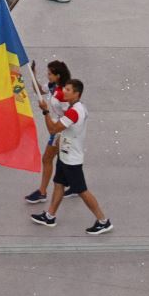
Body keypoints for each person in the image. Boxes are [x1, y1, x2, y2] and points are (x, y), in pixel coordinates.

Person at [31, 79, 112, 233]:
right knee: (59, 183)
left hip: (71, 159)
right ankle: (50, 216)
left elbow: (53, 129)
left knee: (82, 191)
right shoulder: (76, 108)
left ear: (77, 94)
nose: (64, 92)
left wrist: (45, 111)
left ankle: (103, 221)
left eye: (68, 90)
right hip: (64, 154)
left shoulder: (74, 112)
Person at [24, 59, 72, 204]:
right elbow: (39, 89)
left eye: (50, 73)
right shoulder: (52, 86)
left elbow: (68, 114)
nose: (48, 75)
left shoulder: (63, 94)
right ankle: (75, 185)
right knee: (67, 159)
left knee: (47, 159)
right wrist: (33, 74)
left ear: (58, 75)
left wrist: (57, 128)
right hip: (58, 127)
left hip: (61, 129)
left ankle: (42, 192)